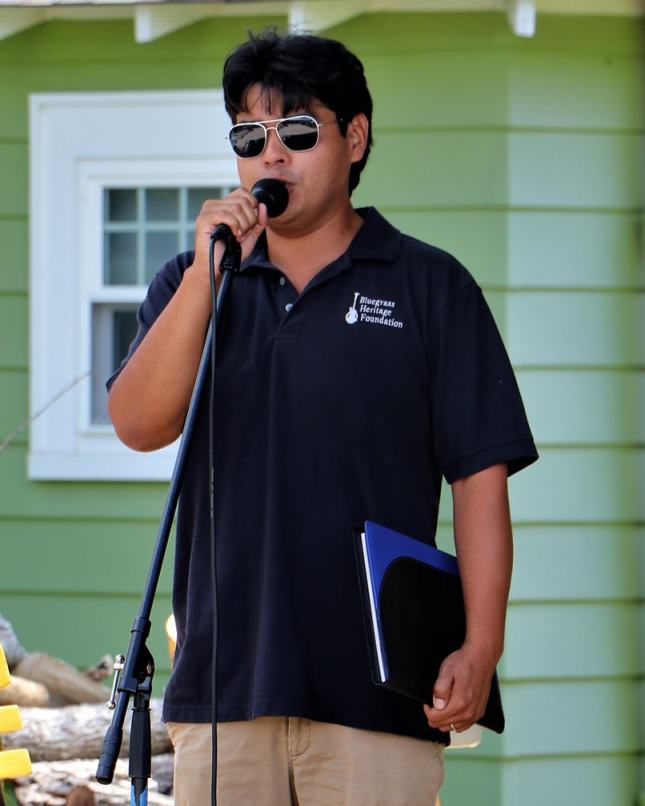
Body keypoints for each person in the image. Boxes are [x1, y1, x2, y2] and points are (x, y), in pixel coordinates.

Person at [107, 29, 538, 806]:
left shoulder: (430, 286)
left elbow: (480, 480)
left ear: (355, 137)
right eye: (249, 136)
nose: (271, 155)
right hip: (225, 698)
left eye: (297, 131)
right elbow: (138, 425)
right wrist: (207, 276)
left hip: (379, 702)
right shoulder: (193, 280)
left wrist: (481, 645)